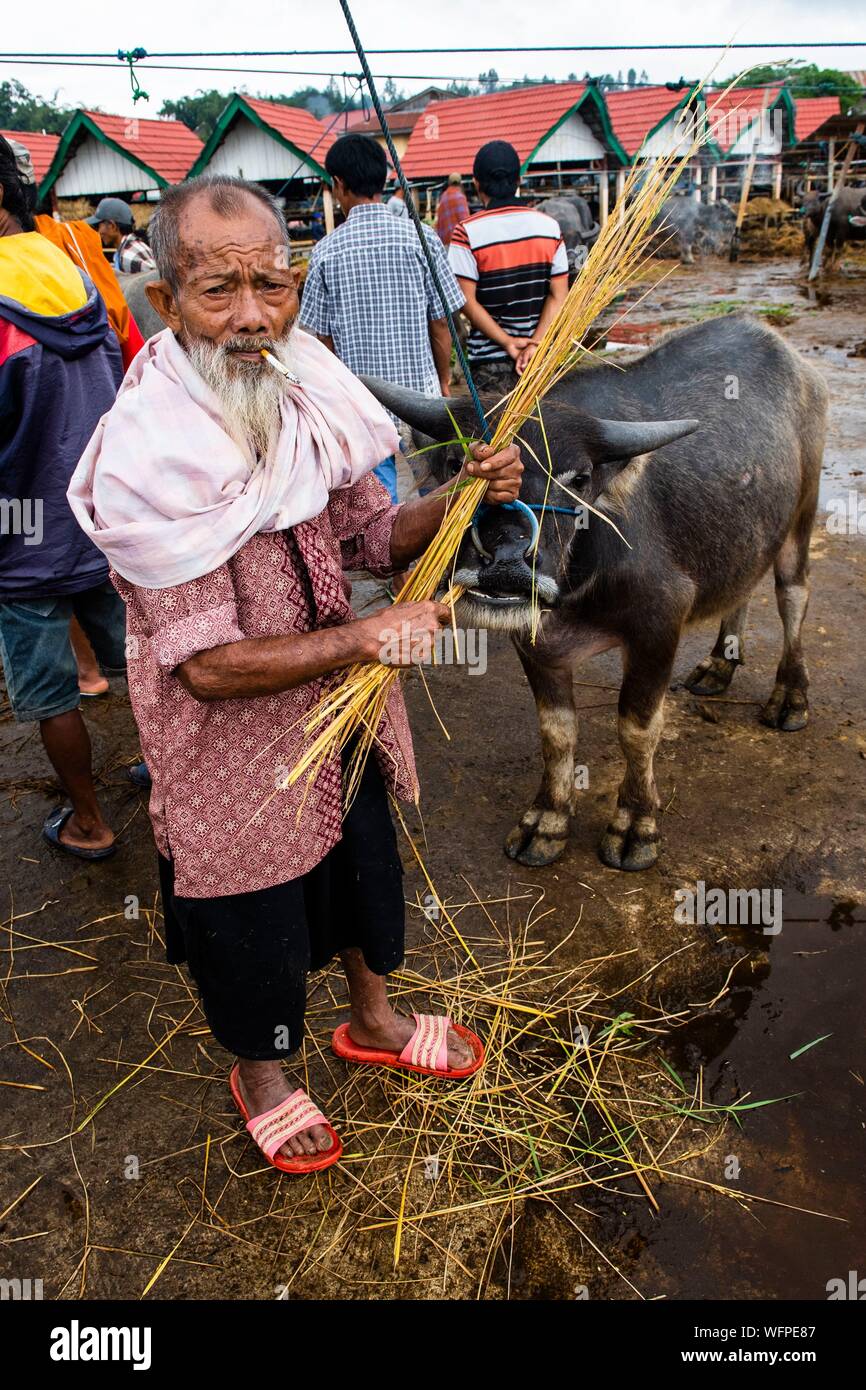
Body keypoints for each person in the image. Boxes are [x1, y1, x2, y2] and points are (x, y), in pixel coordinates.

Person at [68, 173, 523, 1174]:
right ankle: (264, 1076)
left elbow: (367, 536)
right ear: (166, 302)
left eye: (269, 286)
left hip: (342, 718)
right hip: (229, 754)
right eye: (216, 292)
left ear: (296, 284)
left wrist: (458, 495)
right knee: (252, 923)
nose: (248, 318)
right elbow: (208, 670)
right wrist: (364, 640)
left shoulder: (310, 387)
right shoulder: (151, 453)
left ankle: (373, 1019)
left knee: (362, 870)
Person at [0, 135, 133, 859]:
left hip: (23, 536)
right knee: (144, 663)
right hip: (103, 518)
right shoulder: (78, 269)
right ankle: (170, 779)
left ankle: (89, 820)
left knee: (53, 693)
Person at [299, 134, 464, 503]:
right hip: (421, 400)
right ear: (384, 179)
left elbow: (319, 344)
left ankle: (394, 559)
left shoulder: (325, 253)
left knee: (382, 506)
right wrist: (443, 380)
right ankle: (442, 556)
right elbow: (441, 323)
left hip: (361, 406)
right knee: (437, 494)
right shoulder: (421, 239)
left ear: (338, 184)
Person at [448, 139, 569, 395]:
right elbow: (559, 295)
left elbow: (465, 301)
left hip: (489, 366)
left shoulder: (466, 233)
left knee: (493, 434)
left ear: (477, 183)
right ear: (519, 180)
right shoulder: (549, 228)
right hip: (539, 362)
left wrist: (507, 342)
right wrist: (535, 343)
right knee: (547, 432)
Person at [87, 196, 156, 274]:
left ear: (112, 226)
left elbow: (156, 279)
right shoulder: (125, 250)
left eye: (98, 226)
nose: (98, 232)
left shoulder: (128, 257)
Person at [435, 171, 470, 246]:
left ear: (449, 183)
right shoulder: (460, 197)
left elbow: (439, 222)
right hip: (457, 242)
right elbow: (465, 221)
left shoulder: (443, 197)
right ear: (460, 184)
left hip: (444, 242)